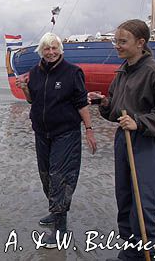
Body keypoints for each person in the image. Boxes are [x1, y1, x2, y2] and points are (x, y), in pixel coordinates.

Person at [92, 19, 155, 261]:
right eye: (115, 41)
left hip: (149, 143)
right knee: (126, 200)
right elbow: (117, 110)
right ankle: (131, 255)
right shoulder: (123, 71)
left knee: (144, 204)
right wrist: (104, 103)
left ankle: (151, 258)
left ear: (140, 43)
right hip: (125, 140)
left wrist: (139, 122)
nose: (116, 46)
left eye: (122, 41)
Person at [16, 32, 97, 248]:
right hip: (42, 133)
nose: (50, 52)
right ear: (41, 51)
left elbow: (81, 103)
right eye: (46, 49)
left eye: (54, 48)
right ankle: (55, 211)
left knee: (60, 176)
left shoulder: (73, 72)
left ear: (60, 49)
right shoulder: (35, 72)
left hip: (66, 133)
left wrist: (89, 129)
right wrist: (24, 88)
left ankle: (61, 228)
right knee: (46, 176)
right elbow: (33, 100)